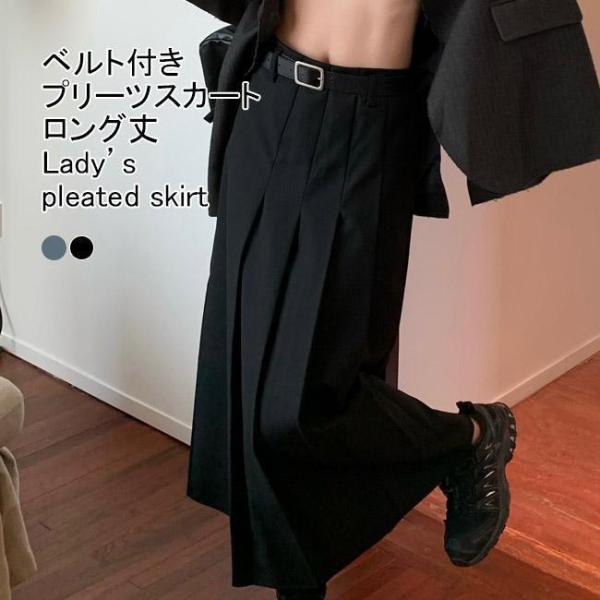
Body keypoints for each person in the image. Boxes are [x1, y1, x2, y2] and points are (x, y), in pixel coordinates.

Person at [186, 0, 597, 598]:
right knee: (245, 374)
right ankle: (297, 586)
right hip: (267, 95)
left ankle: (471, 438)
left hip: (365, 119)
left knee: (302, 403)